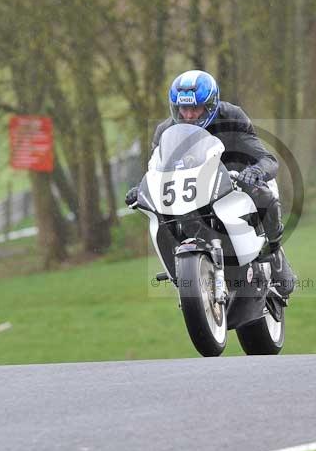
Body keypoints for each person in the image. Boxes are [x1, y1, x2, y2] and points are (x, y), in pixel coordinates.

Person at [125, 69, 296, 298]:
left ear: (210, 105)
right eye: (183, 109)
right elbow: (156, 169)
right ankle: (184, 272)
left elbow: (268, 160)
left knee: (264, 194)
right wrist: (141, 188)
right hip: (192, 190)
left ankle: (274, 252)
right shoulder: (165, 131)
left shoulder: (232, 116)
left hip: (235, 180)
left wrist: (255, 171)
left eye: (195, 108)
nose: (188, 115)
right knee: (161, 215)